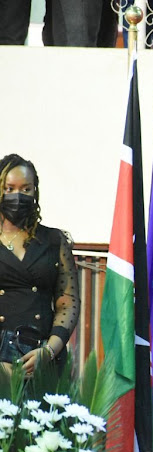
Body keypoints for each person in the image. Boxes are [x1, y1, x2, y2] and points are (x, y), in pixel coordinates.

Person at [0, 154, 80, 377]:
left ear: (35, 191)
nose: (18, 196)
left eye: (26, 189)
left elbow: (68, 301)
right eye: (10, 188)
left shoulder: (54, 240)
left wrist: (49, 350)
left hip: (43, 358)